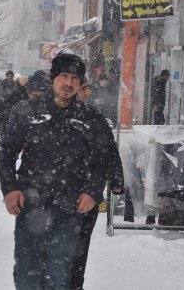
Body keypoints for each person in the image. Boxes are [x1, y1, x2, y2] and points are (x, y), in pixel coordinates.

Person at [0, 53, 123, 289]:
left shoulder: (89, 118)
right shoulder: (26, 111)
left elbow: (101, 159)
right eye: (63, 76)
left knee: (60, 275)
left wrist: (93, 191)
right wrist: (10, 188)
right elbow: (7, 152)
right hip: (31, 205)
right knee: (27, 274)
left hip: (69, 208)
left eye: (75, 79)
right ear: (54, 78)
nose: (69, 83)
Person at [70, 77, 124, 290]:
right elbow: (109, 151)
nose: (87, 93)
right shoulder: (93, 118)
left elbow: (108, 150)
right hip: (82, 192)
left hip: (78, 193)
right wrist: (116, 179)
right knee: (77, 246)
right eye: (84, 89)